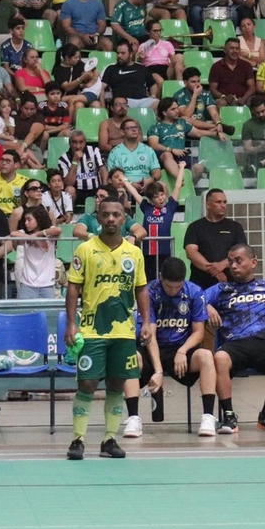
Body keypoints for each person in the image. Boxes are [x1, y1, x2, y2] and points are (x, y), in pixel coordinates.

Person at [64, 196, 151, 461]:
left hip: (123, 331)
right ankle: (78, 439)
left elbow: (141, 288)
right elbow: (73, 287)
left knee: (116, 384)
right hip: (92, 331)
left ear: (124, 218)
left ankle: (109, 439)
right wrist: (71, 323)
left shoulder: (134, 253)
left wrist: (146, 322)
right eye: (106, 214)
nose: (111, 219)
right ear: (98, 218)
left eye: (116, 214)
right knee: (87, 383)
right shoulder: (85, 250)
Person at [202, 244, 265, 433]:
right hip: (235, 344)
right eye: (230, 262)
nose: (233, 266)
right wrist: (207, 307)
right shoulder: (221, 288)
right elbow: (195, 300)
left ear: (253, 262)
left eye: (239, 261)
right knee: (219, 358)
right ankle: (229, 416)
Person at [130, 256, 219, 435]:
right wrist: (158, 371)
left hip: (180, 350)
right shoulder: (150, 292)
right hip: (152, 348)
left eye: (177, 287)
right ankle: (133, 418)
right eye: (169, 286)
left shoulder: (195, 292)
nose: (173, 291)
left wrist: (183, 350)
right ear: (160, 277)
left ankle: (208, 416)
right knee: (130, 359)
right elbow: (150, 335)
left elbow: (199, 332)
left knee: (206, 356)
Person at [184, 188, 246, 289]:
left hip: (230, 283)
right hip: (200, 285)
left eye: (225, 202)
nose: (223, 205)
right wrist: (215, 271)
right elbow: (191, 252)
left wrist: (222, 265)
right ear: (208, 204)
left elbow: (242, 252)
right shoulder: (195, 227)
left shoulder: (235, 227)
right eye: (218, 202)